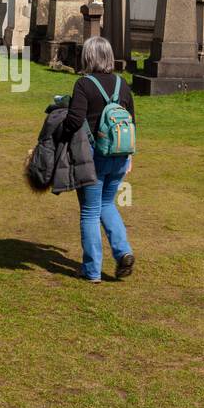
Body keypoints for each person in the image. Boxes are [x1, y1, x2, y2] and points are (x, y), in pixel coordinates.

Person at [58, 36, 136, 282]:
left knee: (90, 212)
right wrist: (131, 156)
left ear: (88, 57)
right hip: (121, 155)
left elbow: (73, 120)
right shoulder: (122, 84)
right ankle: (123, 251)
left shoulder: (84, 84)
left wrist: (57, 133)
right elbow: (132, 121)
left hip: (93, 157)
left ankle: (92, 270)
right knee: (107, 204)